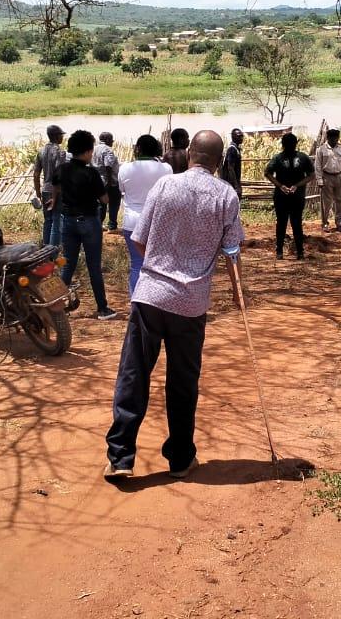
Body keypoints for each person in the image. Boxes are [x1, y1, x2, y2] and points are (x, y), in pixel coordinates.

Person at [104, 130, 244, 483]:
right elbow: (232, 250)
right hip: (191, 304)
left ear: (190, 153)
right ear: (217, 160)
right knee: (183, 383)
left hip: (150, 296)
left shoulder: (165, 186)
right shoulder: (225, 194)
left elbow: (139, 240)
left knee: (134, 375)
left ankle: (121, 457)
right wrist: (240, 292)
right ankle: (180, 459)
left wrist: (157, 267)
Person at [53, 130, 118, 321]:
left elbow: (55, 185)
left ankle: (57, 304)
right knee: (94, 266)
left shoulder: (62, 169)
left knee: (68, 264)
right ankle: (102, 308)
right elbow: (105, 199)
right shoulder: (91, 173)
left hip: (68, 221)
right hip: (89, 221)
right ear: (88, 151)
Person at [118, 134, 172, 298]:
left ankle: (136, 302)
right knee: (159, 264)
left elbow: (122, 189)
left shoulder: (125, 168)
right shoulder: (166, 169)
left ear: (138, 149)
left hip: (132, 222)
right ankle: (158, 300)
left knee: (137, 264)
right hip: (158, 222)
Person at [264, 132, 315, 260]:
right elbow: (268, 172)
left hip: (294, 196)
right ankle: (291, 252)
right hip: (284, 197)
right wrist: (281, 186)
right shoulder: (280, 158)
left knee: (290, 223)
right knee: (290, 223)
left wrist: (295, 186)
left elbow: (311, 175)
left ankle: (291, 252)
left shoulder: (300, 158)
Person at [32, 125, 67, 246]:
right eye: (61, 135)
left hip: (45, 190)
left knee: (48, 220)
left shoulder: (41, 151)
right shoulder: (60, 152)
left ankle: (45, 248)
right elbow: (58, 175)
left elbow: (36, 174)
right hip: (56, 191)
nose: (62, 137)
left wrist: (38, 194)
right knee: (56, 221)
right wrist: (55, 195)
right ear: (57, 137)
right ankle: (52, 252)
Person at [314, 128, 341, 232]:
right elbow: (318, 166)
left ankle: (339, 223)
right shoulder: (321, 149)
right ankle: (325, 223)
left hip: (339, 176)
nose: (335, 140)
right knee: (327, 202)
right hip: (327, 177)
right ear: (328, 138)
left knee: (340, 201)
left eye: (336, 138)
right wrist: (320, 180)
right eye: (332, 138)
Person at [94, 132, 122, 233]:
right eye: (111, 140)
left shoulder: (94, 149)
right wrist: (110, 183)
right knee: (114, 202)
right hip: (109, 182)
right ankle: (112, 226)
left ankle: (98, 225)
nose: (112, 142)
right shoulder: (107, 150)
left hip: (97, 181)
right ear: (107, 140)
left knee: (101, 204)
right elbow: (108, 166)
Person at [218, 127, 244, 198]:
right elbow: (230, 168)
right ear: (233, 137)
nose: (241, 138)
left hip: (232, 182)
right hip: (231, 183)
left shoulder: (236, 149)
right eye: (239, 136)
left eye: (242, 136)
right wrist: (236, 186)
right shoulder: (232, 149)